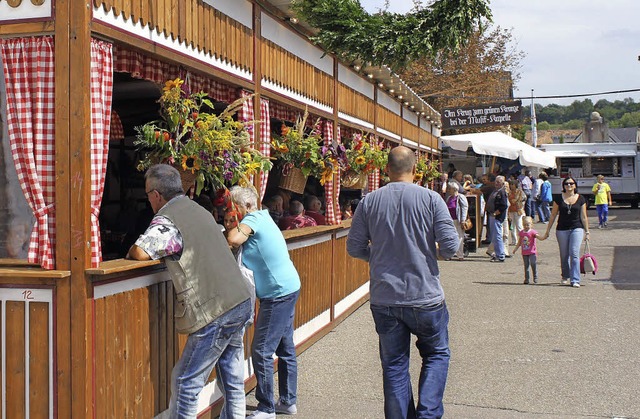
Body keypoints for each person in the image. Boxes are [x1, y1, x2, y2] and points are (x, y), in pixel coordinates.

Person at [126, 164, 253, 418]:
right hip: (239, 299)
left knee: (185, 382)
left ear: (155, 195)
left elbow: (140, 253)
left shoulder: (168, 219)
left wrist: (129, 249)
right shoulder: (201, 210)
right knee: (231, 375)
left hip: (215, 308)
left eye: (147, 195)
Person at [346, 146, 459, 418]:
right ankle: (428, 414)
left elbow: (354, 247)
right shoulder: (432, 199)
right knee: (435, 355)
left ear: (386, 170)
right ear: (415, 170)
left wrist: (379, 255)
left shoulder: (369, 202)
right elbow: (451, 246)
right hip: (425, 295)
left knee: (394, 366)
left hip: (385, 296)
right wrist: (430, 253)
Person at [226, 186, 301, 419]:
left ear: (246, 206)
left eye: (235, 207)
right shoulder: (263, 216)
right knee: (285, 347)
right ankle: (287, 401)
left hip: (277, 294)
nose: (234, 212)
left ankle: (266, 407)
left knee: (261, 350)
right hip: (287, 287)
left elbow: (233, 238)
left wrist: (233, 224)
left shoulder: (254, 217)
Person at [542, 176, 591, 288]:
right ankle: (565, 276)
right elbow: (553, 215)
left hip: (577, 228)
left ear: (575, 185)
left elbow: (584, 217)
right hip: (562, 229)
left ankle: (575, 279)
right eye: (566, 184)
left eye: (571, 183)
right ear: (563, 186)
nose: (569, 185)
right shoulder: (559, 199)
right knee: (564, 255)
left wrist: (587, 232)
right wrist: (548, 230)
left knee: (574, 253)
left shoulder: (581, 198)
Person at [512, 216, 546, 284]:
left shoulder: (533, 232)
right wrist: (515, 249)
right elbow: (519, 242)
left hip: (532, 251)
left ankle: (535, 276)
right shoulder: (521, 233)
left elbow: (539, 237)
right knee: (526, 265)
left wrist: (543, 237)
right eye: (524, 225)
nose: (526, 226)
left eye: (528, 224)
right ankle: (526, 279)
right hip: (524, 252)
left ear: (531, 224)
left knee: (533, 264)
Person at [485, 175, 509, 262]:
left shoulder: (502, 192)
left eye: (498, 182)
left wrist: (496, 213)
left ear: (502, 183)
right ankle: (497, 253)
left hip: (497, 217)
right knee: (494, 236)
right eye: (496, 181)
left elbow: (504, 205)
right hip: (492, 215)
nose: (496, 183)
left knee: (497, 236)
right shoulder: (496, 190)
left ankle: (501, 255)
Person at [445, 182, 468, 261]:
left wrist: (463, 220)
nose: (448, 190)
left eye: (449, 189)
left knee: (459, 237)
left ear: (454, 189)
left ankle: (460, 255)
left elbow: (464, 208)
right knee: (450, 237)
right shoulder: (449, 198)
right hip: (450, 220)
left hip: (458, 220)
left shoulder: (461, 197)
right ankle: (450, 254)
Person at [507, 179, 526, 246]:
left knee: (519, 226)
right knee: (512, 226)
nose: (511, 186)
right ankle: (514, 241)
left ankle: (522, 240)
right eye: (510, 184)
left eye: (513, 184)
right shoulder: (508, 192)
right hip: (511, 210)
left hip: (518, 211)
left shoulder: (520, 192)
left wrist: (518, 202)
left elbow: (523, 199)